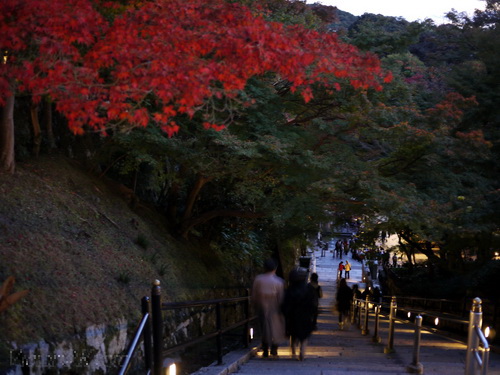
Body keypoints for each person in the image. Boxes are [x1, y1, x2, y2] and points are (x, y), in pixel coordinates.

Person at [252, 258, 286, 358]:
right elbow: (281, 297)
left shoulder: (258, 279)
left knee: (264, 328)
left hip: (261, 307)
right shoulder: (279, 282)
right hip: (275, 307)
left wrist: (255, 304)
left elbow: (254, 295)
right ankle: (274, 349)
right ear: (275, 268)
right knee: (275, 328)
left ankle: (265, 349)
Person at [282, 267, 316, 361]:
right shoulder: (309, 289)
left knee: (293, 333)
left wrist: (284, 314)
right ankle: (302, 351)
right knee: (304, 336)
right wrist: (314, 318)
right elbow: (313, 304)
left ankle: (293, 349)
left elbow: (285, 304)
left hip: (293, 315)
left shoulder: (290, 290)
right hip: (305, 315)